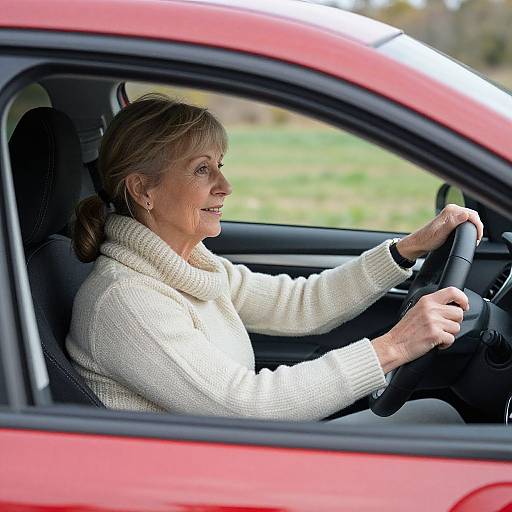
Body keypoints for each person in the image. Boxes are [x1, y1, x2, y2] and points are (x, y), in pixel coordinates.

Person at [66, 94, 483, 422]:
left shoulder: (190, 265)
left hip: (234, 458)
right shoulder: (125, 301)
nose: (225, 185)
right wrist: (394, 346)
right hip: (202, 484)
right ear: (143, 191)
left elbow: (300, 305)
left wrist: (407, 248)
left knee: (432, 415)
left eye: (220, 166)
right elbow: (247, 405)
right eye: (201, 170)